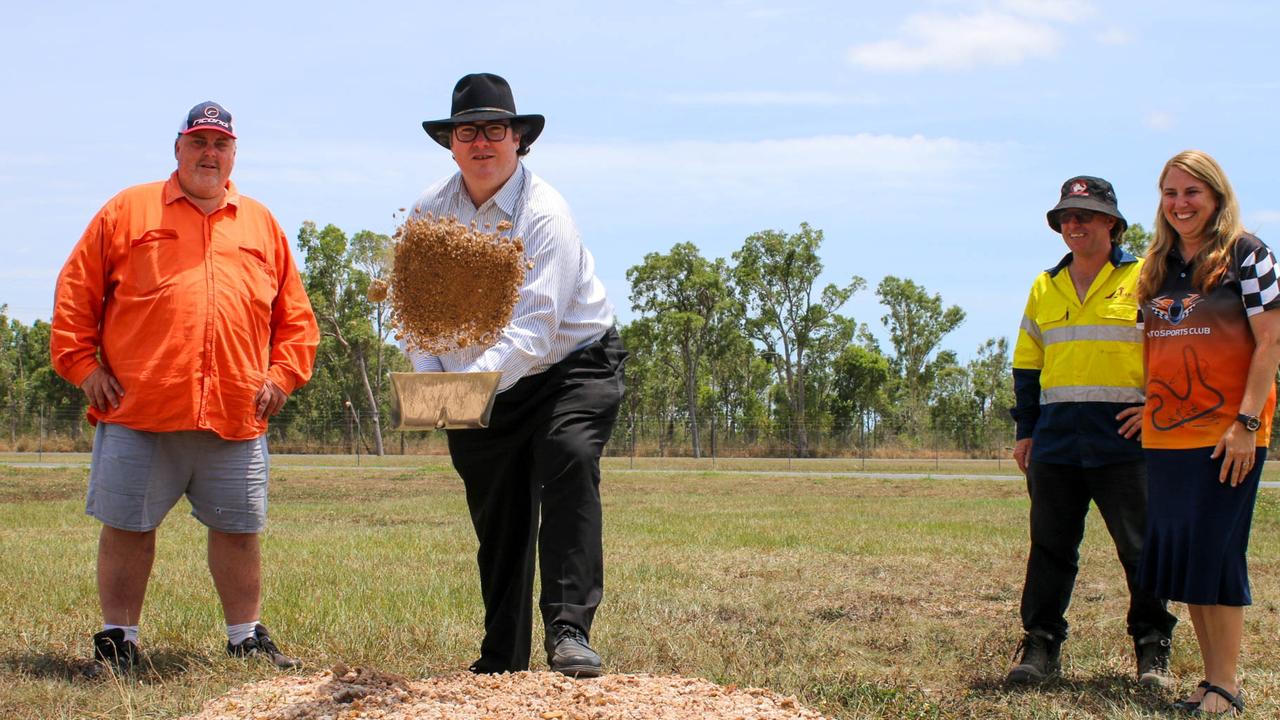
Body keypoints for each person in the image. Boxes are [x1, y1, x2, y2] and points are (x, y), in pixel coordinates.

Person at [49, 101, 319, 674]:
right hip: (139, 408)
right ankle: (118, 638)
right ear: (177, 148)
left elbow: (295, 319)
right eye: (197, 142)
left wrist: (282, 376)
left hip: (235, 410)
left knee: (239, 530)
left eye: (220, 144)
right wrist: (81, 366)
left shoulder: (261, 223)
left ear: (233, 154)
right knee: (128, 527)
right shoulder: (127, 210)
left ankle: (245, 636)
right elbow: (76, 292)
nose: (208, 153)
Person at [406, 73, 626, 678]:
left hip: (570, 365)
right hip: (484, 377)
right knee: (497, 510)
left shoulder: (544, 213)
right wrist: (434, 385)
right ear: (451, 143)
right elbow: (418, 318)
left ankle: (569, 632)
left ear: (518, 139)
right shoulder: (429, 213)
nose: (481, 142)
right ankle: (501, 657)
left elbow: (535, 330)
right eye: (467, 131)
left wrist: (465, 388)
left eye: (494, 130)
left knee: (568, 457)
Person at [1008, 176, 1177, 685]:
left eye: (1083, 215)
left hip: (1125, 440)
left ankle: (1153, 646)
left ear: (1112, 222)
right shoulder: (1045, 285)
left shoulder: (1148, 277)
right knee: (1051, 547)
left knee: (1141, 548)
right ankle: (1039, 646)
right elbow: (1027, 366)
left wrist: (1158, 406)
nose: (1072, 225)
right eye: (1065, 217)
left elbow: (1178, 350)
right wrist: (1026, 430)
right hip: (1057, 440)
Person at [1135, 150, 1280, 716]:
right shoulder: (1158, 266)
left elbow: (1270, 342)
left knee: (1219, 553)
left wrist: (1247, 423)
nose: (1180, 204)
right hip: (1168, 438)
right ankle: (1209, 680)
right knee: (1187, 559)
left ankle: (1227, 683)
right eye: (1171, 193)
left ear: (1216, 197)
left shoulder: (1248, 254)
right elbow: (1160, 351)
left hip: (1230, 436)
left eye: (1192, 193)